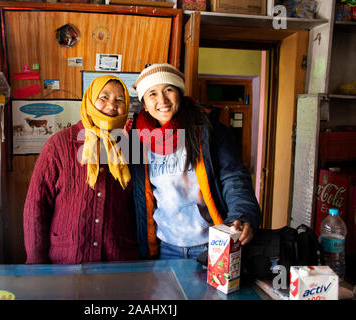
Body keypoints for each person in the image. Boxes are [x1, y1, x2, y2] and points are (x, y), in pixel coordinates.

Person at [130, 63, 261, 260]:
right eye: (152, 94)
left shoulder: (210, 131)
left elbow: (234, 178)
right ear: (145, 104)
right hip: (164, 247)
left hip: (213, 243)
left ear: (179, 94)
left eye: (169, 90)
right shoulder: (135, 140)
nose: (162, 100)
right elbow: (132, 192)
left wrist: (242, 215)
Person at [23, 75, 139, 264]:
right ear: (90, 100)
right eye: (104, 97)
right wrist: (36, 262)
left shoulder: (130, 146)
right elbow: (36, 205)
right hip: (67, 261)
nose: (111, 106)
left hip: (118, 260)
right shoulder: (59, 144)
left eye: (120, 100)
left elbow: (138, 205)